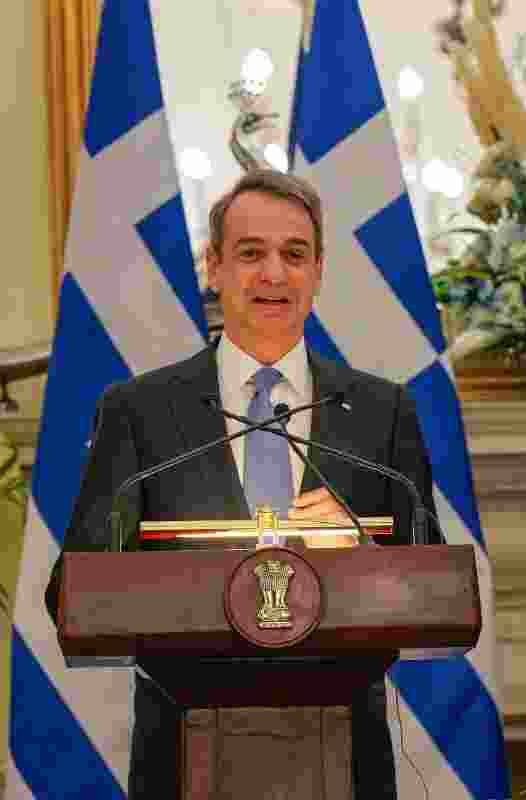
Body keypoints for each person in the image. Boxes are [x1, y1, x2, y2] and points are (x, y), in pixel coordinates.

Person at [45, 169, 438, 799]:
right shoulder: (138, 411)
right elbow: (74, 587)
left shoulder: (382, 412)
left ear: (318, 271)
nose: (274, 275)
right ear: (215, 266)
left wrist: (362, 553)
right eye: (251, 253)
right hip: (180, 745)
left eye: (294, 255)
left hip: (346, 745)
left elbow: (428, 584)